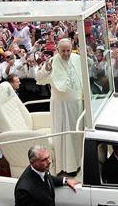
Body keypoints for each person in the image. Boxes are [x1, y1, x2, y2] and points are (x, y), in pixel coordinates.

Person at [36, 38, 84, 175]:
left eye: (68, 50)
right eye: (63, 51)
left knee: (76, 135)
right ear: (57, 50)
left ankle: (77, 164)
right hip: (61, 106)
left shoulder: (77, 58)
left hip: (77, 104)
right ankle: (64, 167)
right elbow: (39, 78)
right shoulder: (51, 61)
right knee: (64, 136)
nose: (66, 54)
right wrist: (47, 71)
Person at [14, 145, 79, 206]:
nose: (49, 161)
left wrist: (66, 180)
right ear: (32, 162)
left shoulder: (41, 169)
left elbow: (48, 178)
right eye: (44, 160)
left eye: (48, 157)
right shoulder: (23, 191)